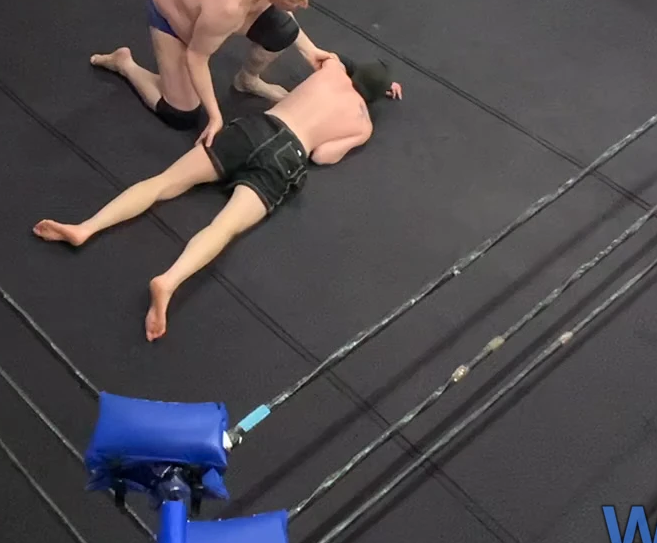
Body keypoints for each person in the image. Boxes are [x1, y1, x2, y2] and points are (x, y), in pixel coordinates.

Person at [36, 57, 403, 340]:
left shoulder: (333, 69)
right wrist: (371, 103)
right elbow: (322, 156)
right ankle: (169, 281)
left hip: (259, 127)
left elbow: (338, 59)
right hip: (288, 156)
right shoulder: (363, 124)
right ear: (377, 96)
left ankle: (85, 227)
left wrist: (369, 77)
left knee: (164, 183)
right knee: (223, 227)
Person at [93, 0, 335, 147]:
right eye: (297, 0)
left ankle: (247, 80)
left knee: (283, 31)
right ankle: (125, 64)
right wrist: (215, 116)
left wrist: (310, 50)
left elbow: (277, 6)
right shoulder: (228, 7)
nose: (305, 5)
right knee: (180, 114)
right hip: (172, 13)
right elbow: (196, 57)